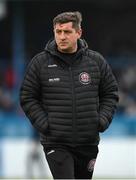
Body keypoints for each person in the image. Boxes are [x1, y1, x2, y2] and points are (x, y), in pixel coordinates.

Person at [20, 11, 119, 179]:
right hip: (56, 142)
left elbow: (110, 94)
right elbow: (27, 97)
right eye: (58, 32)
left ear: (78, 33)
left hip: (87, 142)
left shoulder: (96, 62)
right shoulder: (40, 63)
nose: (62, 37)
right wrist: (45, 124)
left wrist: (101, 121)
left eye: (67, 32)